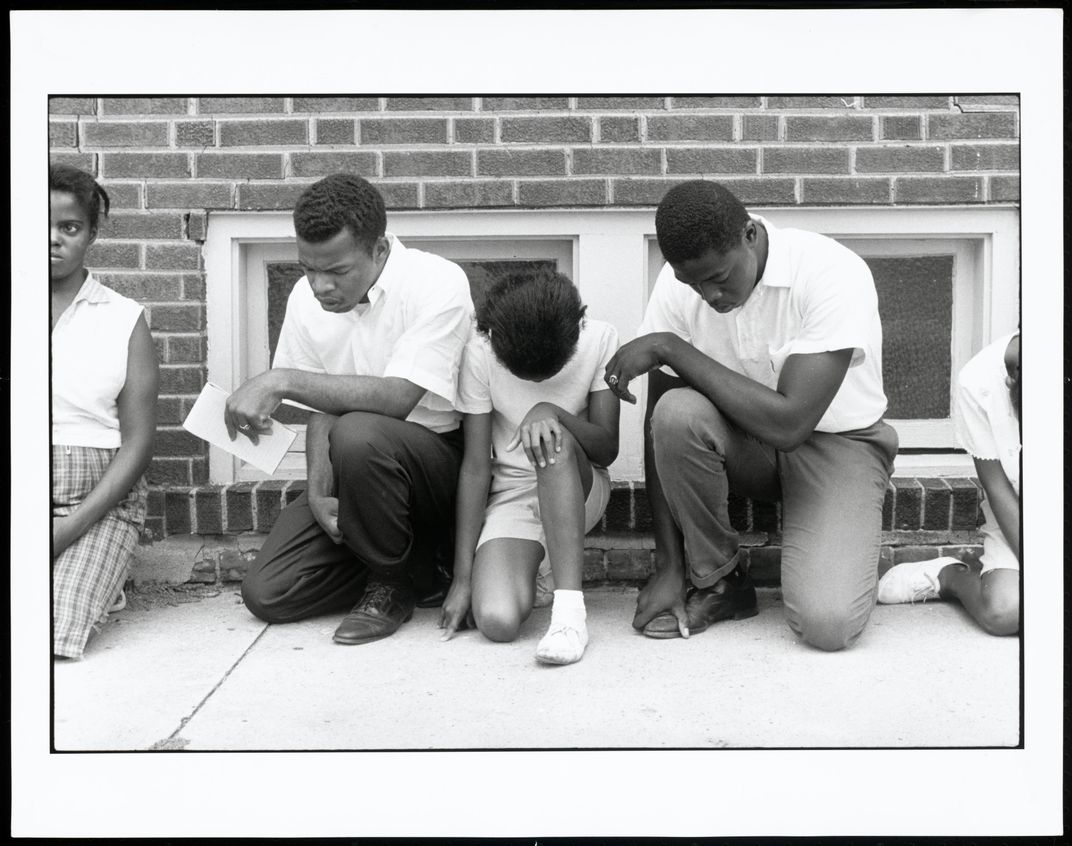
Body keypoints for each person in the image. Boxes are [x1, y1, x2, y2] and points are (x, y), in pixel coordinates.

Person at [604, 179, 898, 652]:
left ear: (749, 235)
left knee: (827, 626)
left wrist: (670, 347)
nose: (709, 296)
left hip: (839, 444)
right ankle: (722, 583)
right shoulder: (681, 285)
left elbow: (790, 424)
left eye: (719, 278)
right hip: (745, 445)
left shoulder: (830, 271)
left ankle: (850, 547)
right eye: (692, 283)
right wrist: (669, 567)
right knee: (676, 411)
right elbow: (660, 423)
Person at [233, 174, 473, 645]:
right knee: (268, 593)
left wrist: (280, 380)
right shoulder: (306, 298)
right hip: (354, 469)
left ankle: (391, 584)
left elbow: (399, 397)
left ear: (379, 250)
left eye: (337, 271)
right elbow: (320, 405)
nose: (320, 286)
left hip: (433, 469)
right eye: (307, 269)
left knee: (361, 431)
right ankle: (417, 564)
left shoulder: (437, 282)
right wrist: (320, 492)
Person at [439, 269, 619, 664]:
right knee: (497, 621)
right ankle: (542, 568)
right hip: (514, 495)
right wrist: (463, 577)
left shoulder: (599, 339)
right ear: (493, 339)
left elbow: (606, 449)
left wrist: (551, 410)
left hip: (577, 482)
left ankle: (569, 616)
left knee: (550, 439)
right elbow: (474, 467)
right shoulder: (480, 353)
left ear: (576, 332)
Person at [51, 164, 159, 659]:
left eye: (68, 227)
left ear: (91, 233)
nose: (52, 239)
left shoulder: (123, 318)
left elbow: (137, 444)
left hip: (96, 504)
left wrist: (64, 531)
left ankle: (89, 572)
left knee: (47, 629)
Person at [877, 333, 1020, 635]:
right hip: (1019, 511)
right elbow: (997, 488)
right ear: (1012, 379)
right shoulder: (979, 381)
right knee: (1004, 613)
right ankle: (950, 576)